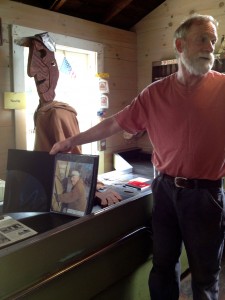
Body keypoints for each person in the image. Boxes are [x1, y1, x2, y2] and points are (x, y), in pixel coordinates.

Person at [50, 14, 225, 300]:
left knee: (205, 277)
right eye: (202, 39)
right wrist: (72, 140)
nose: (210, 47)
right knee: (163, 266)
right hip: (165, 191)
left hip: (205, 196)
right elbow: (113, 123)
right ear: (180, 45)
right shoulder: (154, 94)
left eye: (213, 41)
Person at [18, 32, 121, 208]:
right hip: (46, 187)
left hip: (62, 187)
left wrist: (88, 189)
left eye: (45, 63)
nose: (34, 72)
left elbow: (71, 155)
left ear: (54, 69)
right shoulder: (45, 111)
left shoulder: (58, 113)